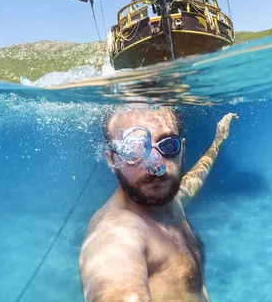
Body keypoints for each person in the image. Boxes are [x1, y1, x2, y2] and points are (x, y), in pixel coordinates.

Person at [79, 106, 238, 301]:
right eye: (134, 149)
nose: (156, 166)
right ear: (112, 160)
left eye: (168, 145)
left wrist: (218, 140)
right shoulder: (117, 233)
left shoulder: (170, 202)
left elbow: (192, 181)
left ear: (182, 149)